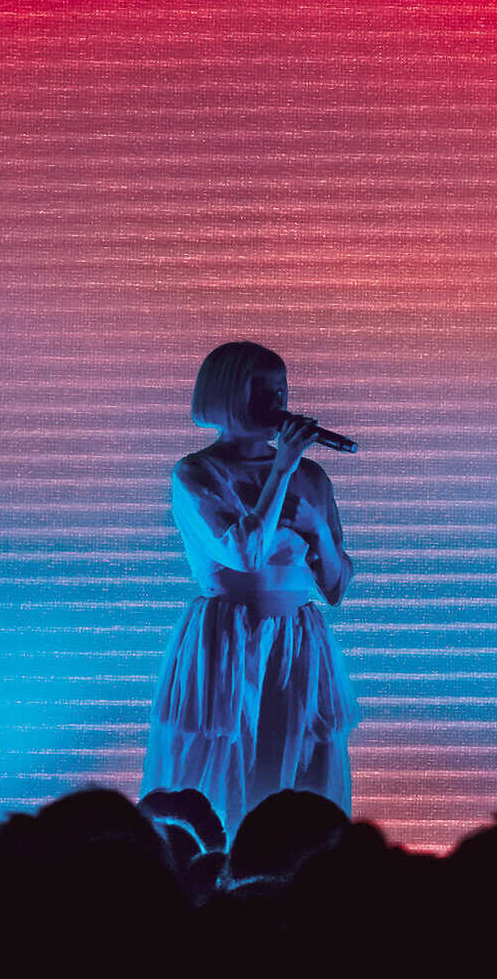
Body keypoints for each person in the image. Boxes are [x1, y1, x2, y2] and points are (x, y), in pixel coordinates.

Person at [143, 341, 357, 831]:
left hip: (297, 637)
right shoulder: (197, 473)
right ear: (226, 395)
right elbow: (244, 553)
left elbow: (335, 587)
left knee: (297, 761)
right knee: (227, 762)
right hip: (228, 637)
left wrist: (319, 531)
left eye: (281, 389)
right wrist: (281, 469)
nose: (277, 402)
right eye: (261, 391)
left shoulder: (312, 476)